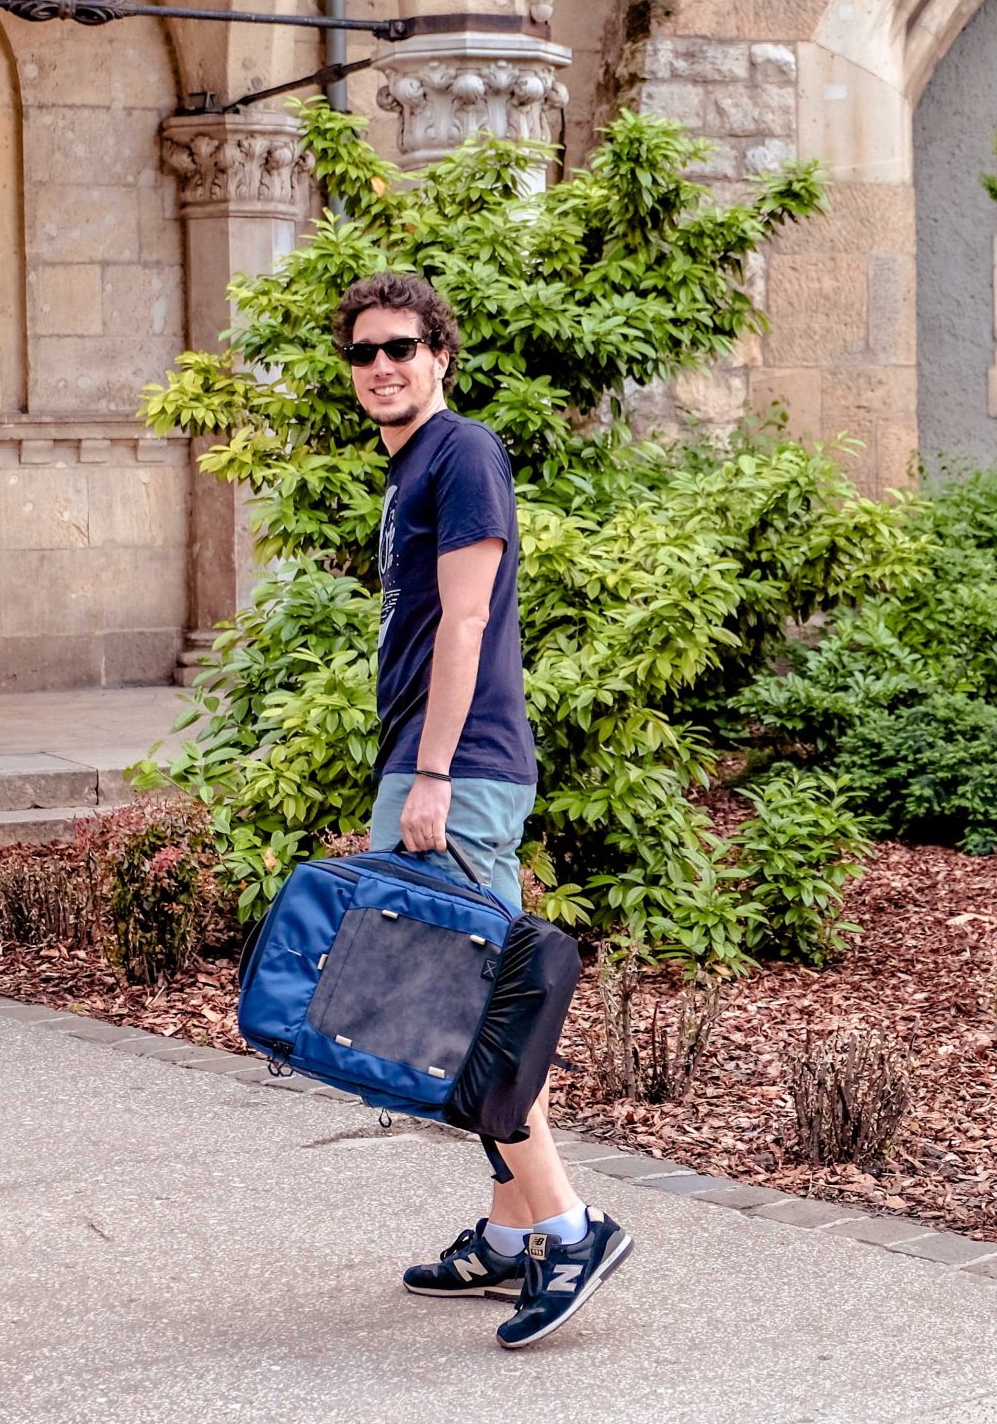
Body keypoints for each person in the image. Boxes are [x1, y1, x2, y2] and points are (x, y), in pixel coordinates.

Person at [338, 269, 633, 1349]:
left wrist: (429, 774)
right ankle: (513, 1238)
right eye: (363, 353)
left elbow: (465, 625)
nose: (381, 367)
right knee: (459, 1012)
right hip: (437, 765)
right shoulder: (412, 466)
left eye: (400, 348)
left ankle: (567, 1224)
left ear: (440, 355)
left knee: (463, 1016)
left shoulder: (459, 452)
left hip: (454, 771)